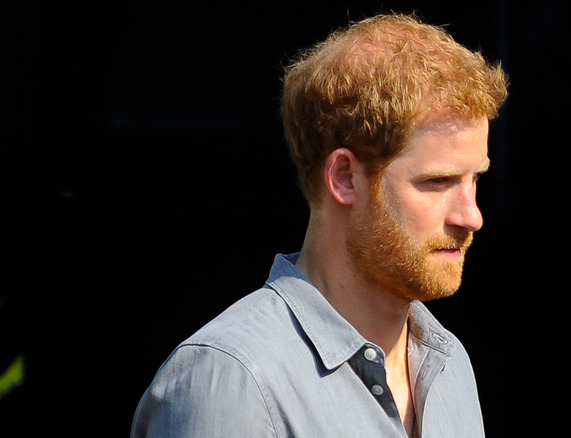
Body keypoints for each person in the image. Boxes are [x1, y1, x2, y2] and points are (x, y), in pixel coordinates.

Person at [130, 12, 508, 438]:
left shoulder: (447, 365)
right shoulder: (233, 381)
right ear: (345, 177)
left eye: (476, 178)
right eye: (437, 181)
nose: (470, 215)